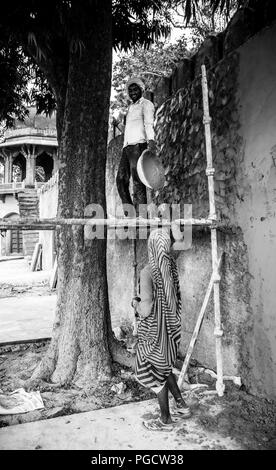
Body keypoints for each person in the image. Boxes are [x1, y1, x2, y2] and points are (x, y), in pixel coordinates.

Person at [133, 228, 191, 431]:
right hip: (171, 331)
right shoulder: (170, 265)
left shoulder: (147, 272)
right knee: (165, 368)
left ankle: (165, 419)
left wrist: (135, 304)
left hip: (154, 334)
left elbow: (146, 309)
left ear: (150, 246)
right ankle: (181, 406)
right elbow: (181, 240)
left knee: (152, 372)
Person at [116, 77, 156, 216]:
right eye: (130, 90)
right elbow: (128, 129)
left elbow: (148, 124)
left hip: (139, 145)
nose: (132, 92)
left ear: (141, 90)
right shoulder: (130, 108)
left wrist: (151, 142)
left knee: (138, 181)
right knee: (120, 181)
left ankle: (142, 216)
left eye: (135, 89)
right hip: (126, 148)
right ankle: (131, 215)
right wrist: (117, 125)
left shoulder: (146, 104)